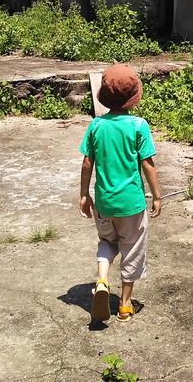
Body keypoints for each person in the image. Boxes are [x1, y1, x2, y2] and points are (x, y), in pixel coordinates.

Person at [79, 63, 162, 322]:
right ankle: (125, 305)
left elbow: (86, 163)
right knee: (132, 249)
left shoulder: (96, 126)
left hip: (104, 203)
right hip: (131, 205)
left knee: (107, 243)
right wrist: (157, 196)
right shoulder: (138, 126)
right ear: (133, 98)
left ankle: (102, 279)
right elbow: (147, 164)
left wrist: (84, 195)